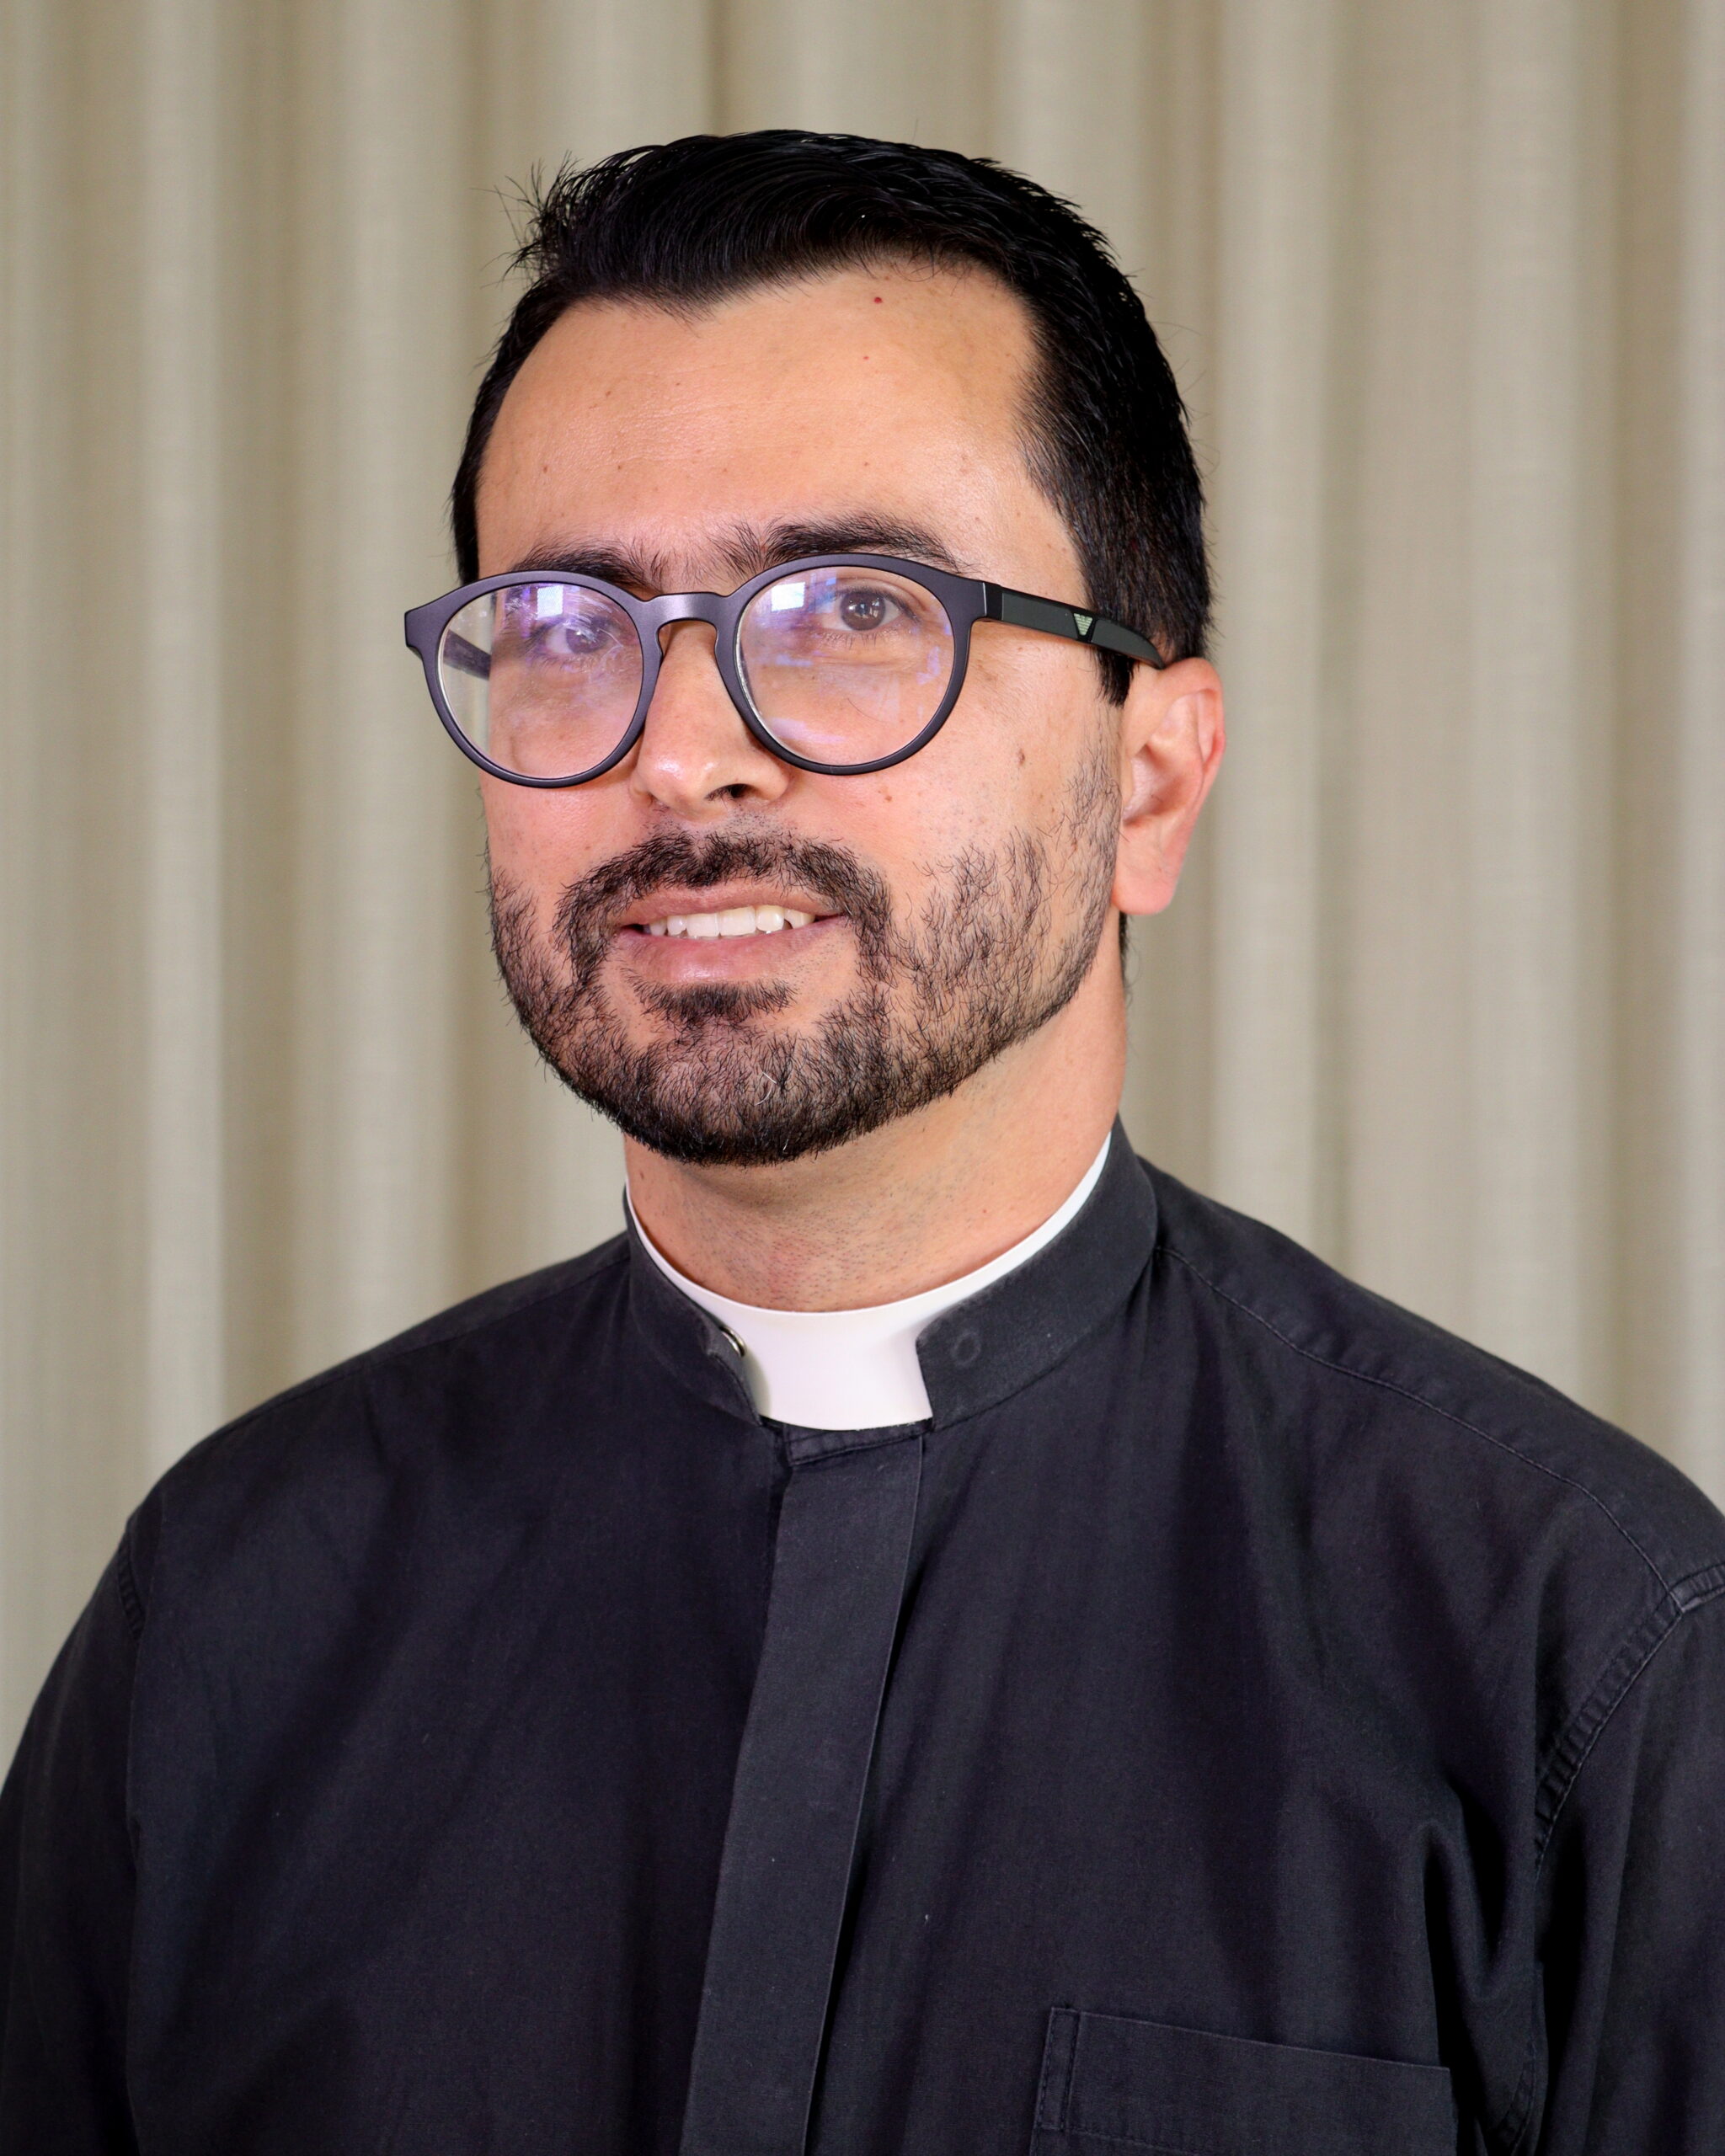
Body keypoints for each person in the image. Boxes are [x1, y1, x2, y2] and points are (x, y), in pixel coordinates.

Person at [2, 130, 1721, 2156]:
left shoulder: (1576, 1649)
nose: (680, 750)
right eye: (564, 623)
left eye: (848, 607)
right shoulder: (232, 1609)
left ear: (1150, 780)